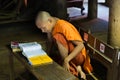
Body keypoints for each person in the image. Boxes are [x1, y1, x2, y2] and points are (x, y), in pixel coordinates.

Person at [35, 11, 93, 80]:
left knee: (58, 37)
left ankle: (72, 68)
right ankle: (77, 68)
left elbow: (81, 45)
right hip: (69, 55)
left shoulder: (63, 26)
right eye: (41, 29)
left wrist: (66, 60)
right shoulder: (51, 26)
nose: (42, 31)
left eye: (43, 28)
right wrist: (47, 56)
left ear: (50, 21)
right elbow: (50, 41)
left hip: (79, 56)